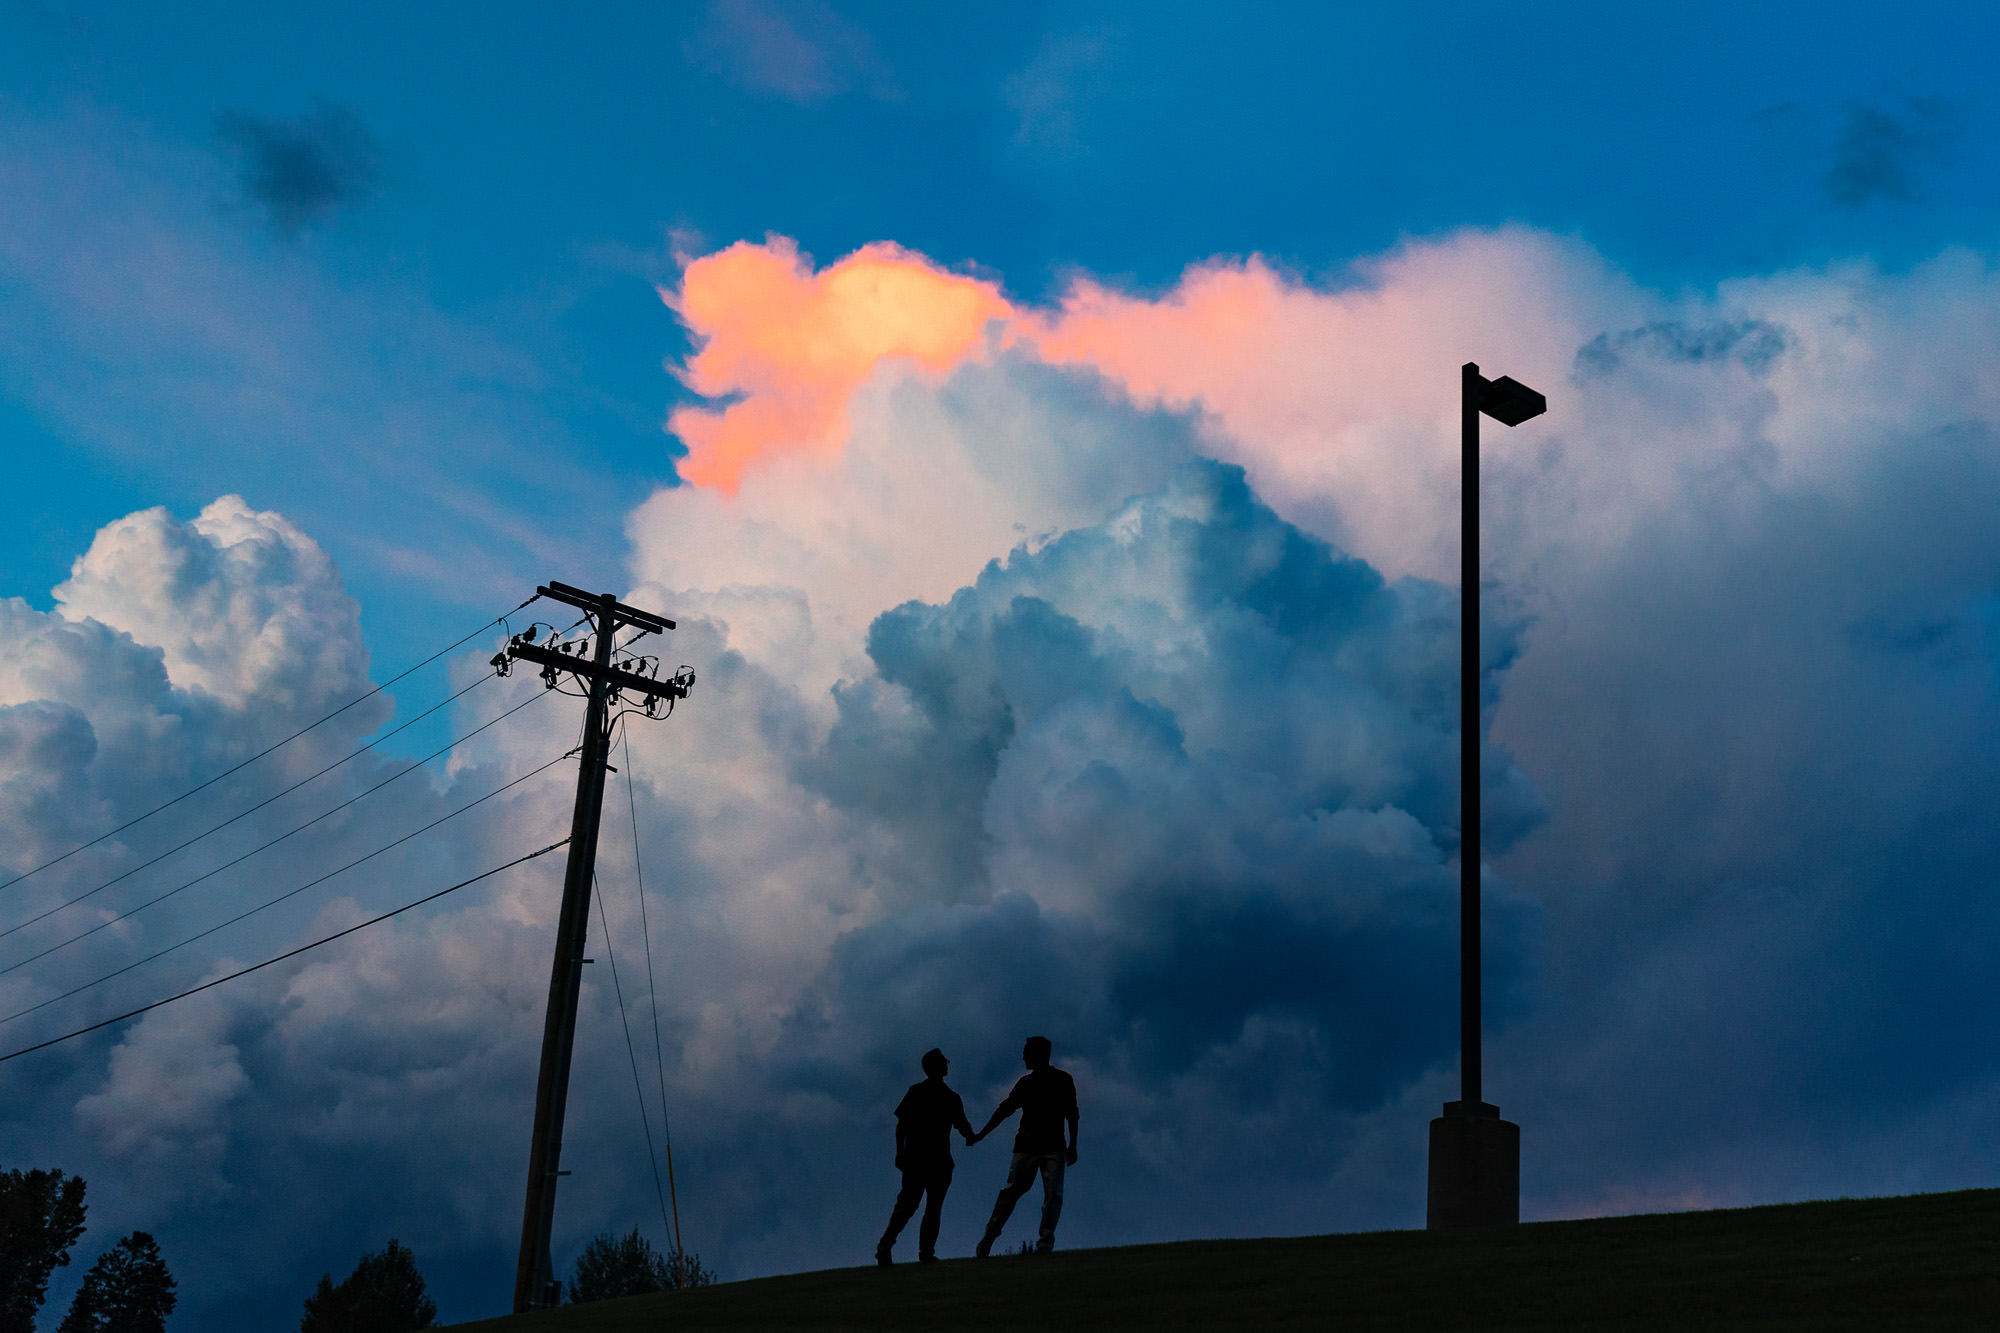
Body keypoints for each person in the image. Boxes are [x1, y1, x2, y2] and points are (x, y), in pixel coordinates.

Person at [970, 1035, 1078, 1256]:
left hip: (1052, 1146)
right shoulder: (1026, 1083)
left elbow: (1072, 1114)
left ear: (1038, 1054)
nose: (1023, 1056)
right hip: (1028, 1146)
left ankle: (1044, 1244)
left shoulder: (1062, 1080)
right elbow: (1005, 1109)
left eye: (1027, 1051)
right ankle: (989, 1238)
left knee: (1051, 1196)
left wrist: (1073, 1145)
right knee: (1013, 1193)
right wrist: (982, 1133)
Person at [876, 1047, 976, 1266]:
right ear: (941, 1068)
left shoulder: (916, 1092)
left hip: (916, 1159)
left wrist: (899, 1152)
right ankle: (925, 1252)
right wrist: (972, 1136)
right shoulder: (950, 1097)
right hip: (937, 1161)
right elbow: (962, 1125)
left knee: (907, 1206)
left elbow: (900, 1126)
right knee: (931, 1208)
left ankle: (887, 1245)